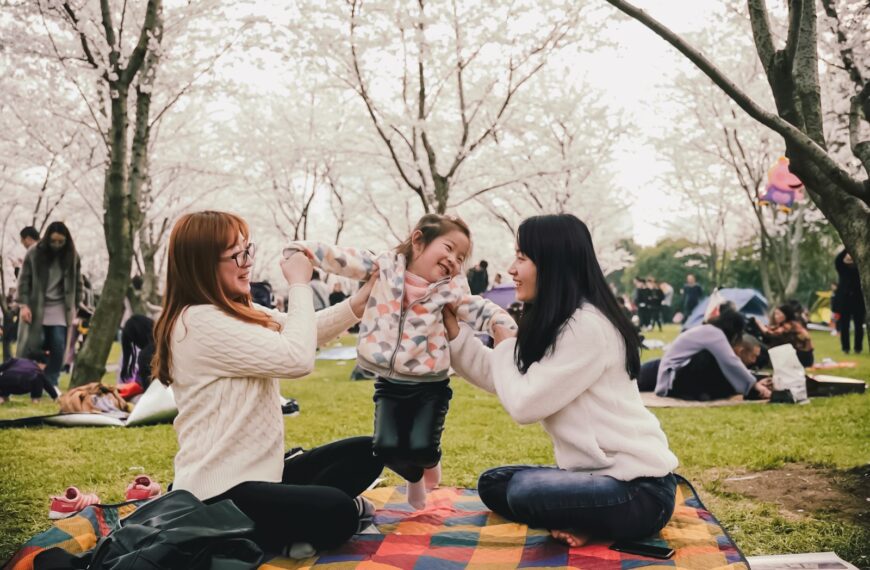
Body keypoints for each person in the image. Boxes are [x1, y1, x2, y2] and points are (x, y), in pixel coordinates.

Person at [152, 211, 384, 556]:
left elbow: (302, 328)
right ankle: (254, 536)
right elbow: (297, 358)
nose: (247, 263)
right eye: (236, 256)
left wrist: (358, 303)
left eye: (249, 251)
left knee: (370, 451)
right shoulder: (198, 322)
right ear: (202, 263)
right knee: (337, 510)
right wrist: (300, 284)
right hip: (218, 494)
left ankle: (291, 527)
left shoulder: (232, 310)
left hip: (263, 476)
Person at [443, 214, 678, 547]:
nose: (511, 269)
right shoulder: (561, 321)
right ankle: (580, 516)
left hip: (639, 490)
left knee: (526, 491)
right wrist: (455, 333)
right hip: (594, 478)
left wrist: (505, 339)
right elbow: (506, 378)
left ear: (552, 263)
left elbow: (524, 405)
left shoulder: (588, 326)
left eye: (521, 258)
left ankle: (586, 519)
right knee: (493, 484)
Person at [286, 214, 516, 509]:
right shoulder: (384, 267)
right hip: (389, 382)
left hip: (431, 384)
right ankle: (415, 476)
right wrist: (303, 250)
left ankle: (429, 461)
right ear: (418, 241)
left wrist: (502, 322)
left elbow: (478, 308)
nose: (454, 260)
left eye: (460, 257)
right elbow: (344, 258)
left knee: (422, 446)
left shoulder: (451, 290)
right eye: (448, 248)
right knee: (385, 447)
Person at [642, 310, 772, 400]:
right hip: (670, 379)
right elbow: (730, 361)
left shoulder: (709, 331)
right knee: (707, 358)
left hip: (671, 374)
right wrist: (754, 384)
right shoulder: (714, 334)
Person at [15, 221, 83, 387]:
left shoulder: (72, 255)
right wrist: (23, 305)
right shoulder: (34, 253)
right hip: (37, 305)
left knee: (58, 345)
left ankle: (51, 382)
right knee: (34, 345)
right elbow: (23, 280)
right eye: (53, 241)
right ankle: (27, 380)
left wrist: (76, 306)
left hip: (61, 307)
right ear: (47, 239)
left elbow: (78, 283)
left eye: (61, 242)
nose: (57, 245)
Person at [834, 249, 864, 354]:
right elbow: (838, 260)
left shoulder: (860, 268)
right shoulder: (842, 268)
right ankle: (845, 348)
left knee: (858, 326)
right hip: (844, 301)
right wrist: (848, 247)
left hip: (858, 300)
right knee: (844, 326)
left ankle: (858, 348)